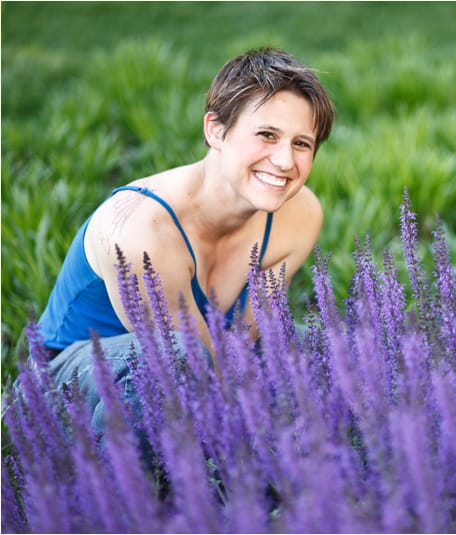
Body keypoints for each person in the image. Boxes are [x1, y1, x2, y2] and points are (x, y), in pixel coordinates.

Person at [32, 47, 335, 431]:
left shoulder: (300, 216)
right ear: (216, 130)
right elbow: (197, 370)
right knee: (172, 361)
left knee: (327, 348)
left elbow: (244, 341)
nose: (284, 161)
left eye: (301, 144)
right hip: (72, 382)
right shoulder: (144, 230)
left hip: (205, 355)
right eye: (267, 135)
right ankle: (120, 486)